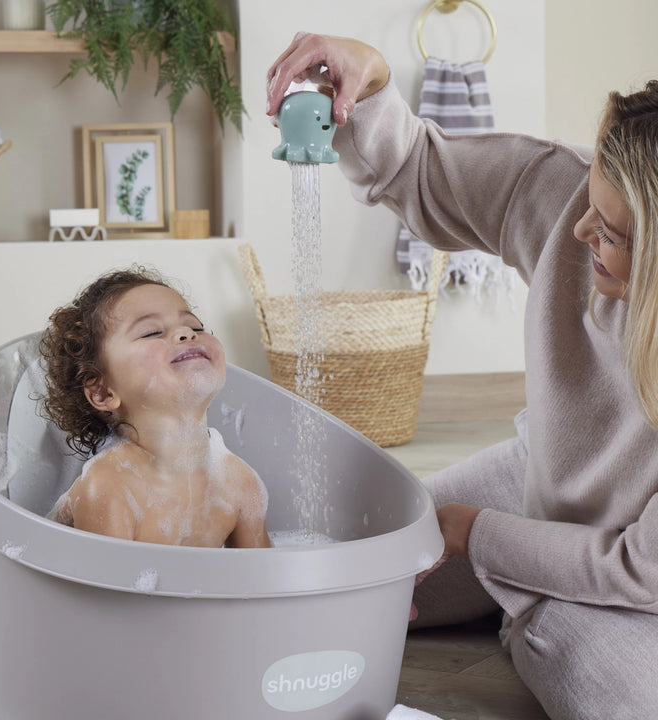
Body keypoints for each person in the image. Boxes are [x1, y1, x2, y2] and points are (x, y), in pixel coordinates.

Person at [268, 33, 658, 719]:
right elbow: (419, 169)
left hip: (638, 566)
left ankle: (535, 610)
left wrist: (477, 536)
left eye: (614, 235)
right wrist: (374, 81)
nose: (578, 231)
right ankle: (528, 590)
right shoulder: (564, 196)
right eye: (591, 198)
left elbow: (641, 568)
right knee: (326, 577)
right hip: (536, 481)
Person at [40, 267, 272, 549]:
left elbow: (263, 580)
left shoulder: (238, 482)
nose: (187, 333)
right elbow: (105, 592)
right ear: (103, 392)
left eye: (196, 327)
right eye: (151, 333)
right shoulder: (109, 486)